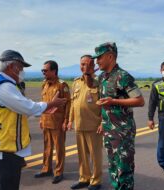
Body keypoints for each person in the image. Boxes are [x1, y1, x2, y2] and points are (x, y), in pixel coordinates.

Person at [0, 50, 67, 190]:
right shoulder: (3, 86)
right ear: (11, 66)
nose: (21, 71)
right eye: (20, 67)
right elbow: (28, 107)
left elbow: (19, 109)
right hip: (2, 151)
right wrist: (51, 104)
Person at [90, 42, 144, 190]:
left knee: (124, 170)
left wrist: (114, 101)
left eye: (99, 57)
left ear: (110, 56)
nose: (97, 61)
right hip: (109, 131)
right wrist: (102, 122)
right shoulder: (102, 77)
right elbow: (101, 101)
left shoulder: (123, 76)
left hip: (123, 133)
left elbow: (140, 101)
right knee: (113, 168)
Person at [68, 55, 103, 190]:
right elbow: (73, 102)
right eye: (83, 64)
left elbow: (106, 105)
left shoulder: (99, 82)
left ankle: (96, 181)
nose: (85, 67)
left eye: (89, 64)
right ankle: (84, 178)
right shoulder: (76, 82)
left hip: (94, 126)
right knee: (82, 156)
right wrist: (70, 120)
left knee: (95, 156)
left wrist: (102, 123)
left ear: (94, 66)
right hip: (79, 125)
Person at [34, 60, 71, 184]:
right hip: (46, 121)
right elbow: (43, 103)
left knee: (59, 148)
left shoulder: (62, 85)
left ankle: (59, 172)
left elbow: (68, 104)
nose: (43, 72)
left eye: (45, 70)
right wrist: (41, 118)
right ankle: (46, 169)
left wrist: (66, 120)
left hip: (58, 122)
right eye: (42, 70)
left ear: (54, 71)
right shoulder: (44, 84)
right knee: (47, 147)